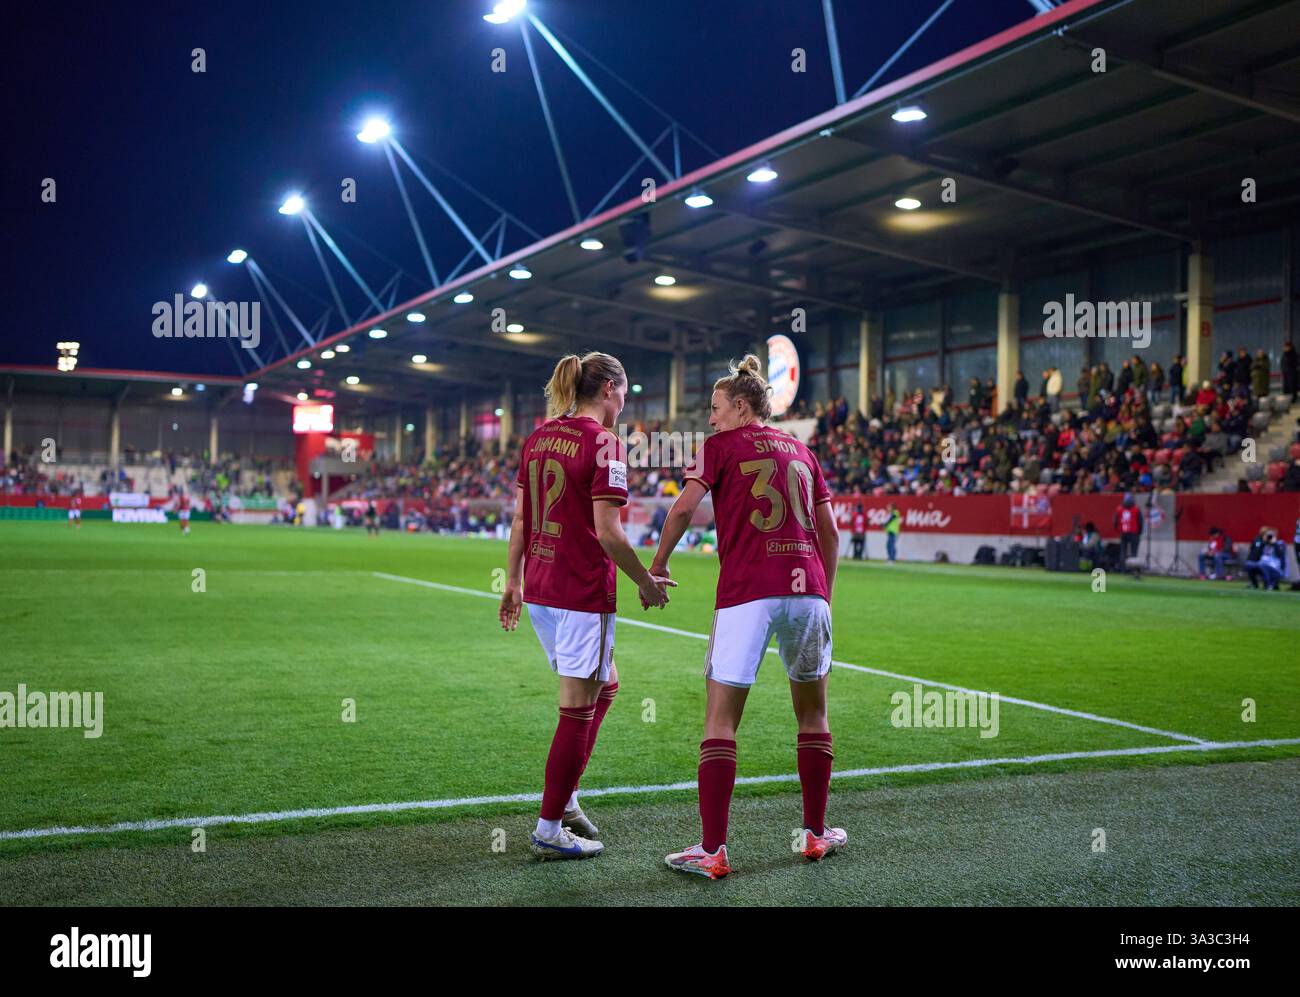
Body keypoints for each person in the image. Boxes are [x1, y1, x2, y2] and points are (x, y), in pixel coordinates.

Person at [650, 355, 842, 879]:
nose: (709, 420)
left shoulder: (719, 448)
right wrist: (824, 594)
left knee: (721, 721)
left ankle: (712, 849)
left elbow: (686, 508)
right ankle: (816, 833)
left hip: (747, 592)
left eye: (714, 409)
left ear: (739, 406)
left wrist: (659, 564)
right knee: (813, 715)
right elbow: (830, 534)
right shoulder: (803, 450)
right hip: (807, 591)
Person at [498, 352, 670, 862]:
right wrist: (647, 581)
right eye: (626, 392)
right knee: (576, 710)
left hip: (543, 591)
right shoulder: (604, 443)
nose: (626, 401)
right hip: (580, 594)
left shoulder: (539, 437)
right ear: (611, 388)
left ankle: (566, 798)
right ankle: (551, 825)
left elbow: (521, 519)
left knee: (607, 684)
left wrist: (512, 581)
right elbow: (608, 533)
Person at [1113, 493, 1141, 569]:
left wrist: (1118, 529)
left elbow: (1115, 521)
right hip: (1134, 532)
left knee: (1123, 551)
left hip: (1123, 532)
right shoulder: (1136, 509)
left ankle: (1123, 568)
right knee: (1133, 552)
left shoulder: (1119, 509)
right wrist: (1139, 532)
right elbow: (1140, 521)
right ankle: (1133, 569)